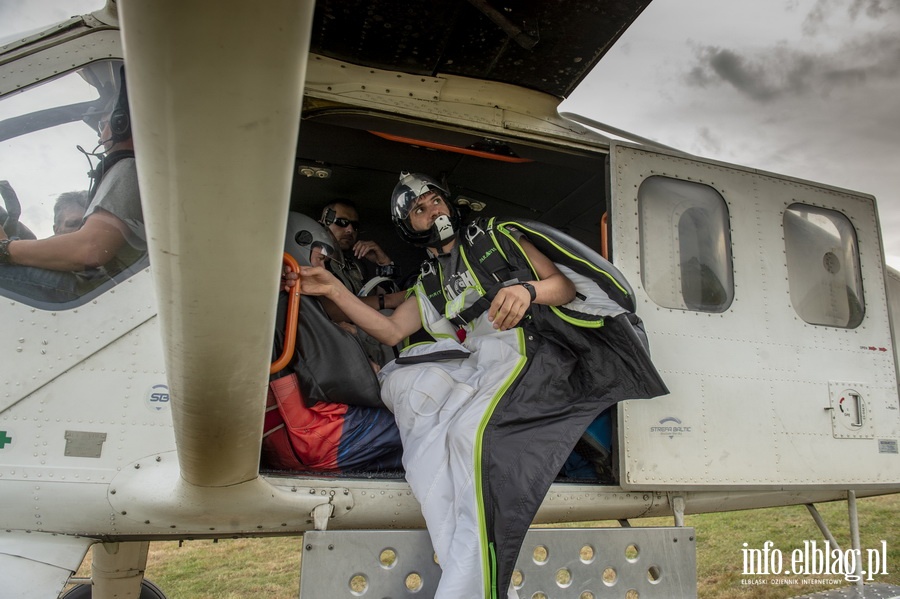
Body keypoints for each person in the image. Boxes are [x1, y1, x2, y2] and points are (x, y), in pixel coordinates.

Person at [298, 172, 668, 598]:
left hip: (534, 354)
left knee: (470, 437)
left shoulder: (494, 236)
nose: (432, 210)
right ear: (407, 227)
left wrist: (529, 291)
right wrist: (331, 289)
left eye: (435, 201)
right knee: (429, 450)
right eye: (419, 209)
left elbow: (563, 286)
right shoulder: (430, 281)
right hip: (485, 366)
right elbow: (388, 330)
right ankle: (471, 577)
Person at [263, 211, 403, 472]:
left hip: (281, 444)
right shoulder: (294, 303)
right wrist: (374, 369)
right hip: (321, 434)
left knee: (411, 461)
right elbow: (351, 381)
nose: (324, 269)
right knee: (426, 423)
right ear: (298, 248)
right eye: (320, 260)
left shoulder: (271, 303)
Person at [0, 68, 144, 302]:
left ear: (121, 122)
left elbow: (90, 249)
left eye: (102, 126)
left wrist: (5, 249)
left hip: (90, 291)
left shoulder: (126, 169)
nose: (99, 137)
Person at [319, 199, 398, 293]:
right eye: (342, 222)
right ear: (322, 224)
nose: (350, 230)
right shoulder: (312, 261)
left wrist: (385, 264)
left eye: (355, 225)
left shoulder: (355, 267)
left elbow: (376, 297)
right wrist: (389, 301)